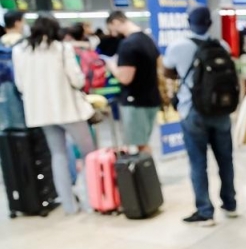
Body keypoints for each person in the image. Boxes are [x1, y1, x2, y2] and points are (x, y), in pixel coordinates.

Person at [11, 16, 96, 214]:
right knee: (88, 153)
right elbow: (76, 80)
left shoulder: (19, 51)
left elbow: (21, 85)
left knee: (57, 155)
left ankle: (69, 206)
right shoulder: (62, 48)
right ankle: (94, 199)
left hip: (41, 112)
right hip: (68, 109)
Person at [163, 6, 237, 226]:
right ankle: (230, 203)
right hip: (220, 110)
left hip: (192, 111)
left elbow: (168, 72)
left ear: (189, 23)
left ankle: (205, 211)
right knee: (226, 159)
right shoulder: (221, 45)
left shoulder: (177, 46)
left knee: (198, 163)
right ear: (209, 24)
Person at [104, 11, 161, 153]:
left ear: (116, 23)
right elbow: (160, 65)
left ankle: (147, 174)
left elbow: (125, 78)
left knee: (141, 145)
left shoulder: (128, 44)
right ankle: (147, 174)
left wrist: (112, 66)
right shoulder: (148, 39)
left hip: (135, 101)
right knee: (144, 142)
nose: (112, 34)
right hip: (151, 98)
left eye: (111, 29)